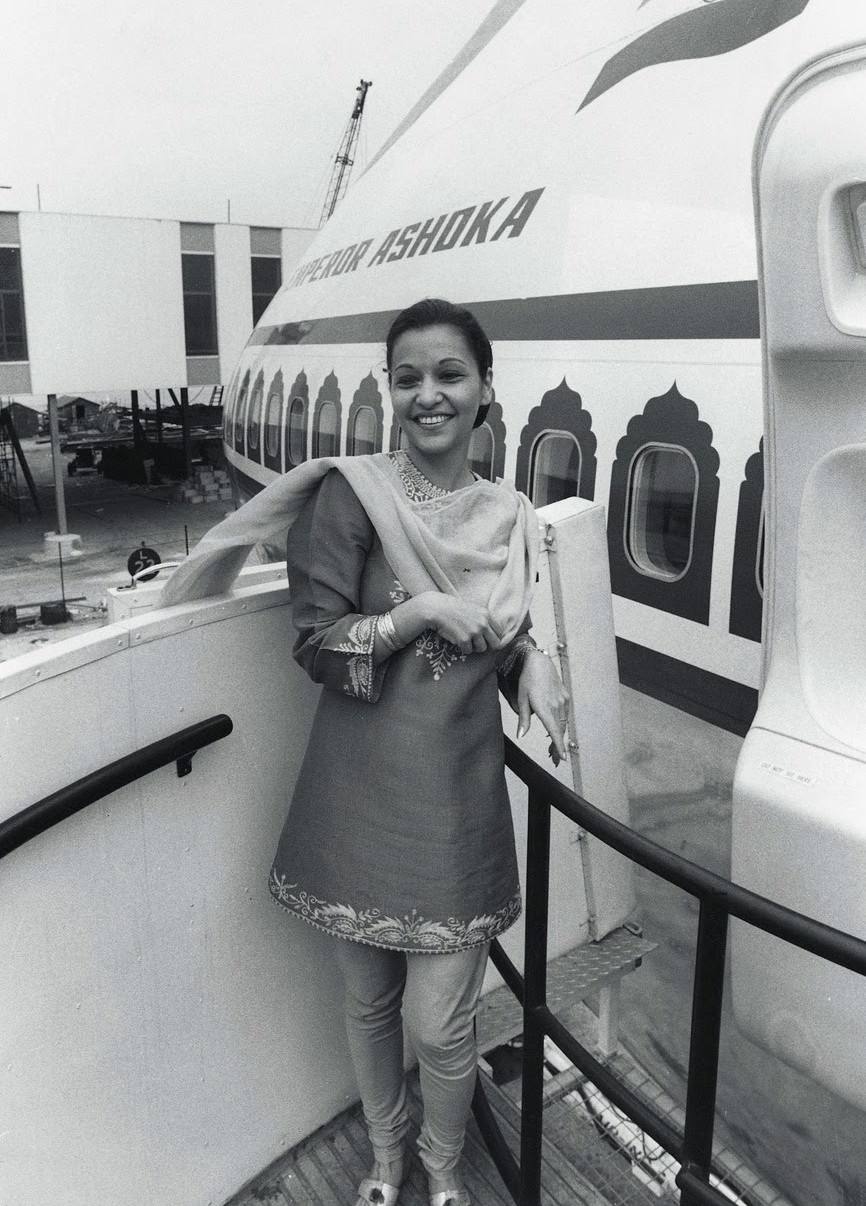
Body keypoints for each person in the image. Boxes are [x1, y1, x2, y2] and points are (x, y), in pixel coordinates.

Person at [265, 298, 570, 1206]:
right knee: (368, 1004)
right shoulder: (352, 493)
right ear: (388, 390)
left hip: (455, 802)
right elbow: (317, 645)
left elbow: (498, 632)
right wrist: (419, 613)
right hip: (358, 798)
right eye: (408, 378)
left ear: (485, 391)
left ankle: (441, 1163)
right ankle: (388, 1159)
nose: (428, 395)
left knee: (441, 1026)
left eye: (450, 376)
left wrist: (529, 663)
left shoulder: (511, 513)